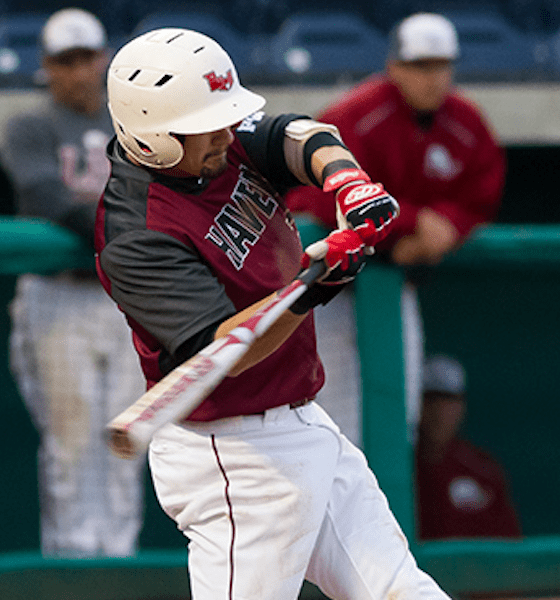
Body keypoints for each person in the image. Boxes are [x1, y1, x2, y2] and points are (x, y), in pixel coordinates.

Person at [95, 27, 451, 600]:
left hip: (302, 422)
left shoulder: (214, 140)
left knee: (399, 589)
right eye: (204, 128)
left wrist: (347, 182)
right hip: (233, 456)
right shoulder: (138, 234)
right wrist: (315, 286)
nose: (224, 134)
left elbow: (297, 133)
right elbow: (225, 351)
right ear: (152, 135)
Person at [285, 12, 505, 444]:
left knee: (396, 418)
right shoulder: (355, 114)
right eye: (420, 66)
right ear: (395, 67)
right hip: (329, 289)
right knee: (326, 421)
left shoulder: (466, 121)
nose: (432, 78)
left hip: (393, 284)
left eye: (440, 66)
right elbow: (313, 197)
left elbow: (481, 194)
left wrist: (448, 228)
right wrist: (408, 225)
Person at [2, 8, 146, 557]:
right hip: (60, 293)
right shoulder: (29, 123)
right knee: (71, 439)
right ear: (48, 66)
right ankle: (73, 562)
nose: (80, 70)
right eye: (67, 60)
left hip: (125, 297)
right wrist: (126, 224)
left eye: (87, 57)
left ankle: (120, 558)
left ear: (103, 59)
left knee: (125, 435)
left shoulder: (132, 123)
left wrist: (123, 224)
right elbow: (45, 197)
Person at [415, 355, 522, 540]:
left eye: (448, 401)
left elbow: (509, 545)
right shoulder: (396, 471)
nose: (439, 411)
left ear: (461, 406)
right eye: (430, 400)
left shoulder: (483, 470)